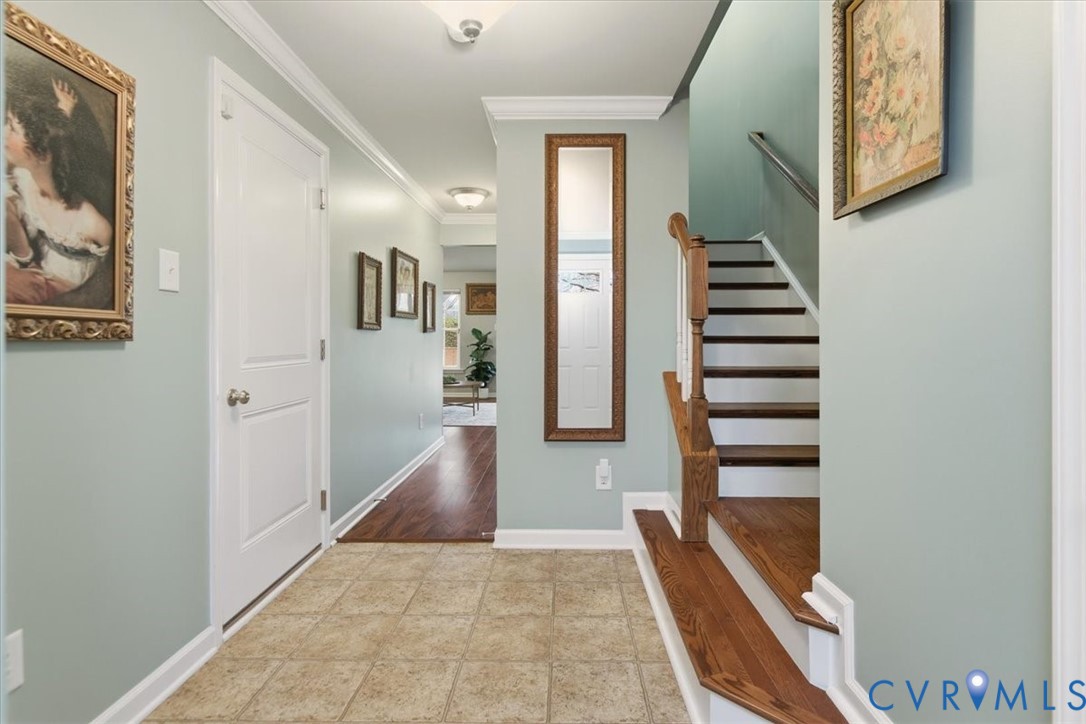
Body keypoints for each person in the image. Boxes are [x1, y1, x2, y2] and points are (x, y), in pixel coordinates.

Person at [5, 77, 113, 306]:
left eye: (12, 128)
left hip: (59, 290)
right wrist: (63, 110)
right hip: (30, 264)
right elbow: (52, 138)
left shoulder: (92, 225)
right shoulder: (23, 179)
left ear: (42, 154)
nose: (4, 135)